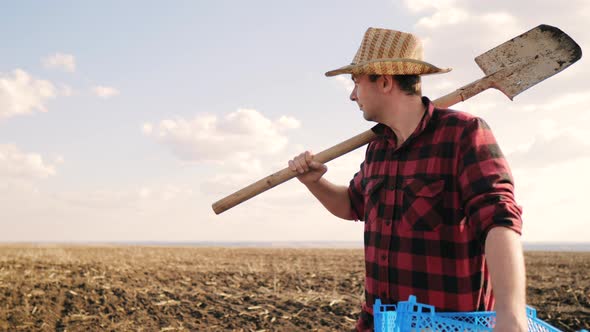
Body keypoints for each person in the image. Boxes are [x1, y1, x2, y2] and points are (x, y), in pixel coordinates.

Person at [288, 28, 527, 331]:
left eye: (356, 83)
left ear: (385, 81)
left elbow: (499, 219)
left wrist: (510, 314)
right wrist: (313, 182)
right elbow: (352, 205)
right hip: (380, 322)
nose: (352, 96)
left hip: (446, 324)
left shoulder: (463, 133)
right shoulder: (378, 149)